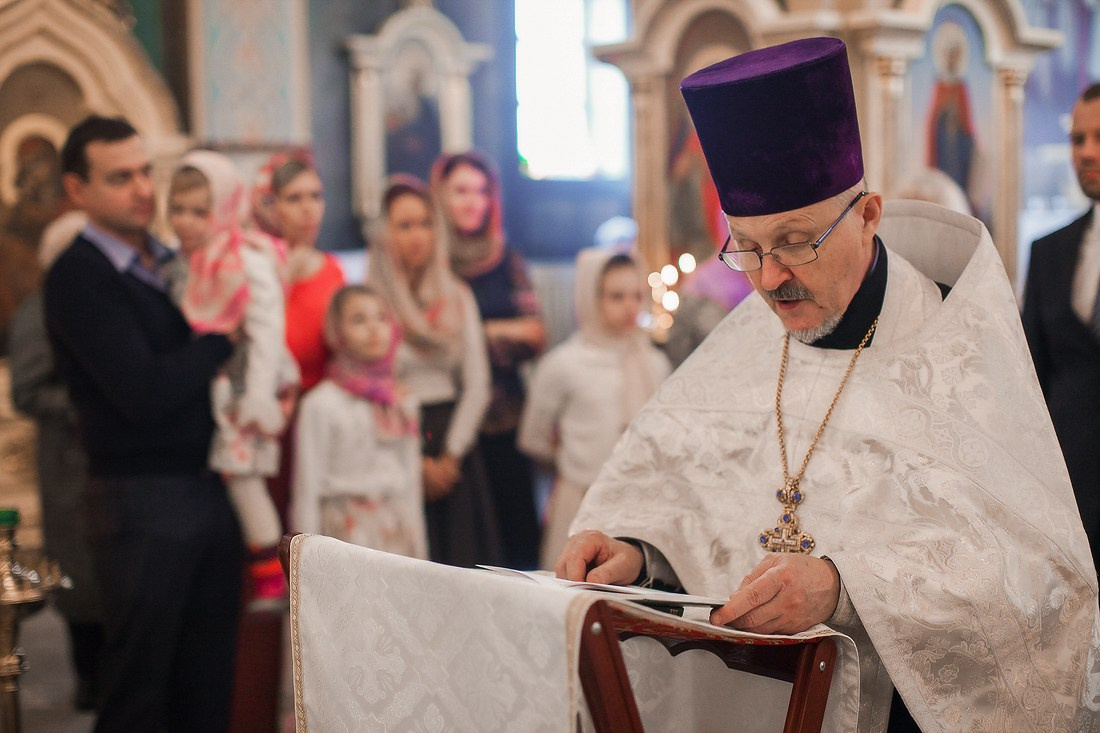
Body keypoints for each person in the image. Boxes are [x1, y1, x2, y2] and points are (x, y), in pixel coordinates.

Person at [556, 38, 1100, 732]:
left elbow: (1038, 578)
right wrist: (639, 553)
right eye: (747, 247)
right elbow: (687, 489)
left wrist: (847, 589)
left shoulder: (953, 350)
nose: (770, 278)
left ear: (868, 216)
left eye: (795, 241)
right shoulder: (747, 338)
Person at [43, 116, 241, 731]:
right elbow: (143, 392)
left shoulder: (170, 260)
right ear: (78, 191)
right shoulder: (79, 276)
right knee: (140, 689)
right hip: (139, 501)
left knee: (206, 684)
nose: (141, 189)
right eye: (120, 177)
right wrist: (220, 342)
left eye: (144, 172)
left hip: (204, 485)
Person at [166, 150, 300, 606]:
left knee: (243, 477)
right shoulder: (192, 258)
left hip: (248, 384)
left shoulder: (244, 256)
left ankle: (271, 577)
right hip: (221, 385)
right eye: (178, 209)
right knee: (229, 477)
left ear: (224, 207)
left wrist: (259, 395)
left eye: (199, 211)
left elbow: (267, 327)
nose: (186, 221)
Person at [368, 174, 501, 568]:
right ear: (385, 233)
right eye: (404, 225)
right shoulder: (372, 298)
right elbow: (371, 383)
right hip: (393, 442)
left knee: (459, 562)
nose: (416, 236)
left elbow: (477, 384)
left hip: (451, 439)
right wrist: (415, 463)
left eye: (425, 223)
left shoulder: (456, 295)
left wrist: (449, 458)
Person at [519, 248, 669, 568]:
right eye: (616, 296)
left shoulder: (654, 363)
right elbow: (533, 436)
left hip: (642, 503)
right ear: (590, 297)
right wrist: (572, 459)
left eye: (636, 295)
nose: (630, 306)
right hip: (582, 502)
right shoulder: (565, 364)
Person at [8, 209, 103, 711]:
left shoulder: (101, 302)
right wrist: (91, 403)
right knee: (79, 575)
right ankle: (88, 680)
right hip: (69, 461)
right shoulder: (39, 308)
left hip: (109, 462)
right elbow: (28, 389)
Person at [432, 151, 544, 569]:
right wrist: (501, 330)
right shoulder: (430, 260)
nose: (472, 201)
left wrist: (474, 334)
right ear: (440, 195)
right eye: (461, 190)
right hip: (446, 418)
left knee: (515, 543)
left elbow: (536, 333)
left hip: (504, 417)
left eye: (481, 192)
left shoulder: (504, 257)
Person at [1022, 81, 1100, 576]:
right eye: (1078, 139)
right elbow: (1031, 385)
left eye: (1099, 138)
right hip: (1072, 504)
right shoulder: (1049, 251)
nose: (1087, 153)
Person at [292, 284, 427, 559]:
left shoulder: (401, 401)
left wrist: (421, 554)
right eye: (358, 320)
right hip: (344, 535)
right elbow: (306, 489)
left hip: (396, 529)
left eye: (381, 318)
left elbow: (412, 482)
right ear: (337, 332)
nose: (374, 329)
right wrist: (304, 564)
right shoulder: (320, 404)